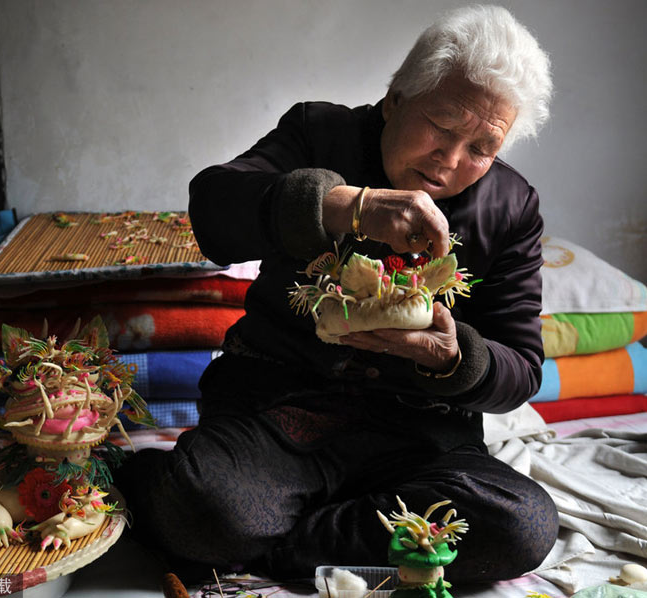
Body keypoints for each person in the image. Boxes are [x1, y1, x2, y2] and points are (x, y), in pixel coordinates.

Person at [116, 4, 558, 584]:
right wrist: (347, 205)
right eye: (442, 127)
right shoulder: (319, 133)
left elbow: (521, 368)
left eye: (480, 148)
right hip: (278, 413)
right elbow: (214, 209)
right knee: (209, 505)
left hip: (419, 438)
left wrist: (453, 356)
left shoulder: (511, 207)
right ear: (396, 98)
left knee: (521, 525)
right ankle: (240, 516)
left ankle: (267, 539)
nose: (450, 161)